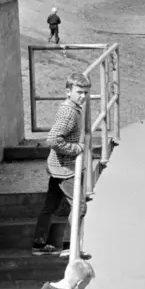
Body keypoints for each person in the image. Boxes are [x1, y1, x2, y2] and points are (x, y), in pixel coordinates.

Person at [31, 73, 89, 257]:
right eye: (79, 92)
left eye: (86, 93)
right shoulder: (69, 112)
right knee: (79, 206)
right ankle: (70, 247)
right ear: (67, 91)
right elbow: (53, 140)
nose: (83, 96)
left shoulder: (72, 108)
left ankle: (39, 245)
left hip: (57, 165)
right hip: (64, 168)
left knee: (51, 205)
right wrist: (76, 148)